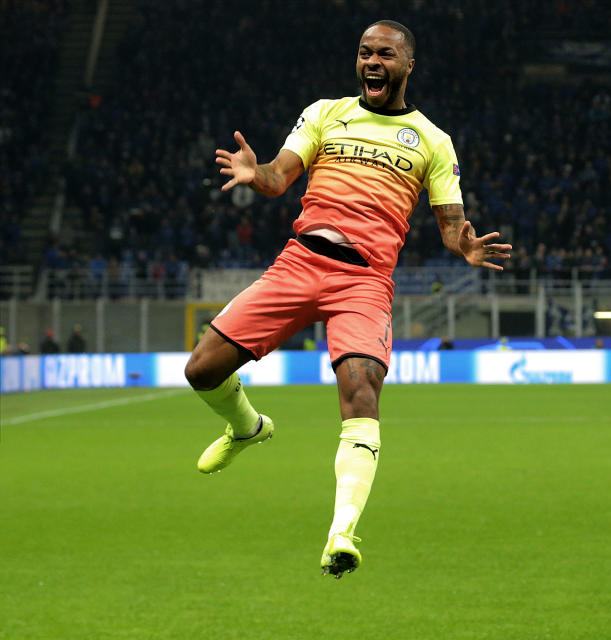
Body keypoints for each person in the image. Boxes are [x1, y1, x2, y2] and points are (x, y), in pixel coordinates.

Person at [184, 20, 510, 580]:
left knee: (361, 390)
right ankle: (247, 428)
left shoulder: (433, 140)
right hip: (299, 262)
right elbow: (276, 177)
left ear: (408, 65)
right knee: (201, 369)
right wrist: (251, 171)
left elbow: (450, 224)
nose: (372, 61)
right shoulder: (326, 112)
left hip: (364, 280)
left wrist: (465, 246)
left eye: (385, 53)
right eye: (364, 53)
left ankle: (342, 532)